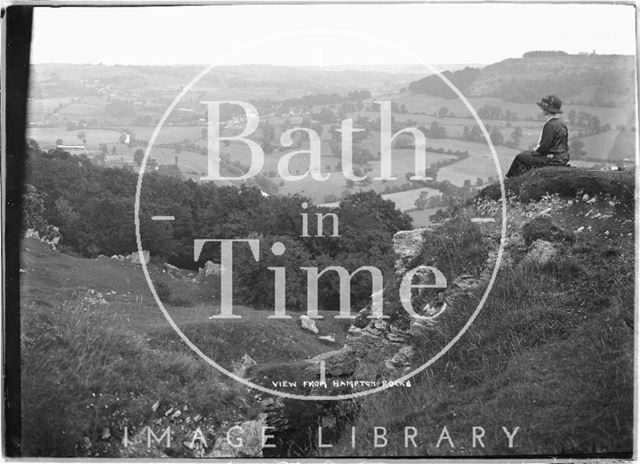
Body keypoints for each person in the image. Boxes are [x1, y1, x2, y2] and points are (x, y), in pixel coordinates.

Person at [506, 95, 570, 178]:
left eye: (543, 108)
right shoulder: (561, 123)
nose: (542, 109)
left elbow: (544, 146)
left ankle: (511, 179)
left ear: (547, 110)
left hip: (553, 160)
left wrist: (536, 152)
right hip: (563, 158)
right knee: (527, 154)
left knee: (520, 157)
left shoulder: (549, 125)